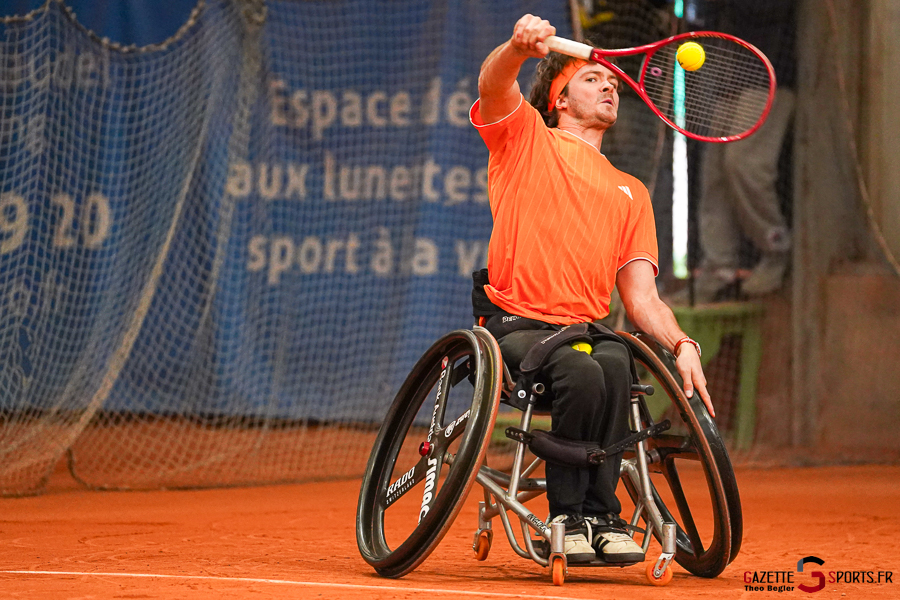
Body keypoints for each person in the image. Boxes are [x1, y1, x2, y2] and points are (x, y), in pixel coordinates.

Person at [469, 14, 712, 564]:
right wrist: (515, 47)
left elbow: (643, 299)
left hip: (583, 330)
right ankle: (566, 514)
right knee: (582, 370)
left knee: (617, 364)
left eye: (613, 83)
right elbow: (492, 84)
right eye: (591, 79)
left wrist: (682, 344)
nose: (609, 86)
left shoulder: (632, 192)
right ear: (557, 99)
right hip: (517, 326)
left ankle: (602, 516)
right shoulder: (525, 138)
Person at [691, 0, 797, 302]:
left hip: (770, 75)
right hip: (729, 83)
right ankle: (719, 266)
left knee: (744, 164)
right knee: (714, 175)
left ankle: (775, 248)